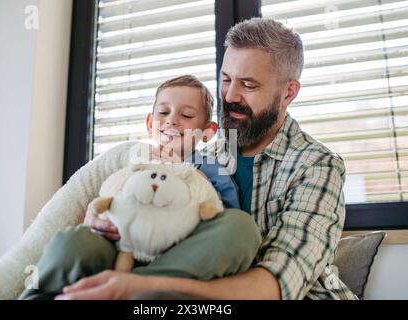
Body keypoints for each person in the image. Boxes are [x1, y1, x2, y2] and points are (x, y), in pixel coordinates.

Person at [27, 17, 357, 300]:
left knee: (237, 228)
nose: (229, 96)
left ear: (288, 93)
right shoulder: (192, 155)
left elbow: (276, 285)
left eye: (248, 85)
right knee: (80, 243)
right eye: (226, 80)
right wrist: (106, 216)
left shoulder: (316, 165)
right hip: (177, 291)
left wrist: (138, 286)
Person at [18, 75, 252, 300]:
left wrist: (198, 180)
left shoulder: (213, 171)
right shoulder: (135, 161)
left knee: (239, 228)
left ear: (208, 131)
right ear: (150, 123)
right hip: (122, 246)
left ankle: (128, 287)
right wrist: (95, 215)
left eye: (187, 115)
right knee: (72, 242)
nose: (171, 120)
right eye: (163, 112)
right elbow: (109, 195)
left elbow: (223, 221)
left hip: (176, 256)